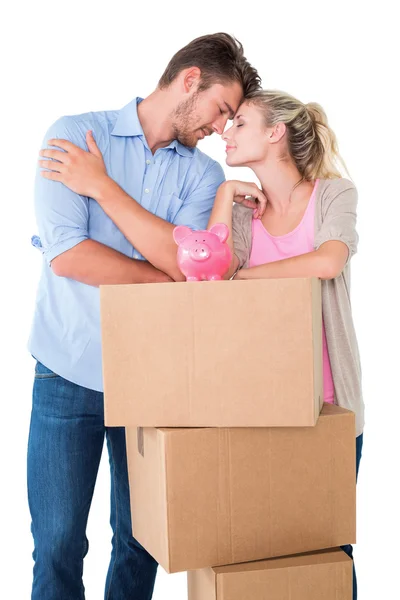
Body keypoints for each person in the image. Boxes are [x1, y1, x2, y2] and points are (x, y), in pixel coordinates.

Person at [28, 32, 261, 600]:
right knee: (58, 541)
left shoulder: (202, 177)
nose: (221, 128)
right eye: (221, 109)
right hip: (68, 368)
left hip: (156, 380)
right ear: (189, 81)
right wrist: (164, 273)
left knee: (142, 540)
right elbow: (69, 256)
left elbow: (189, 267)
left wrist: (102, 187)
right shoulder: (73, 136)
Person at [207, 90, 364, 600]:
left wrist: (246, 275)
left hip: (330, 407)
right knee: (261, 551)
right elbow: (211, 281)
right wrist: (224, 199)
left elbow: (327, 262)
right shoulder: (244, 212)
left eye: (240, 123)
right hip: (260, 408)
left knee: (331, 549)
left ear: (275, 133)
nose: (225, 132)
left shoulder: (334, 195)